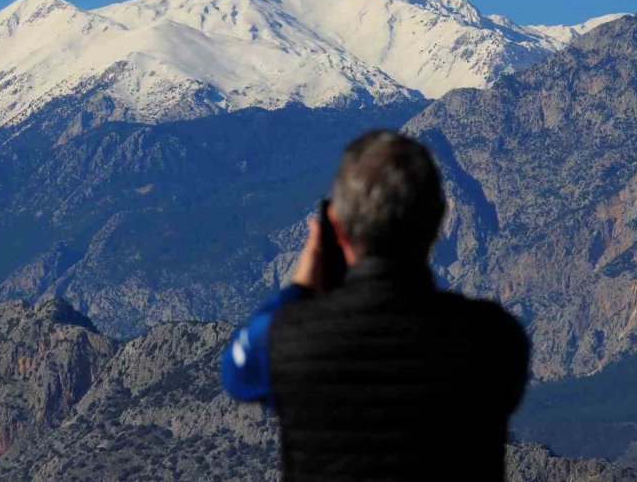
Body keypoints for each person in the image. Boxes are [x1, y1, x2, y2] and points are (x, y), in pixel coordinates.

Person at [221, 130, 530, 480]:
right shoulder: (494, 337)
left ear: (335, 228)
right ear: (441, 218)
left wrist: (300, 285)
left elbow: (236, 373)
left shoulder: (287, 340)